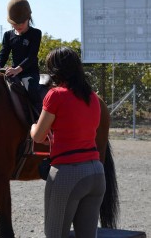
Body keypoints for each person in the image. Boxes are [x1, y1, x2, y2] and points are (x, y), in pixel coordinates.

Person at [30, 47, 106, 238]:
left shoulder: (55, 95)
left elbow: (39, 136)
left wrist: (32, 127)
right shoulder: (93, 97)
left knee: (55, 234)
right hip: (96, 173)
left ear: (56, 70)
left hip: (68, 173)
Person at [0, 0, 42, 113]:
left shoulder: (35, 34)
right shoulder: (8, 35)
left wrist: (18, 69)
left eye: (21, 22)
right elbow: (3, 53)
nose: (18, 26)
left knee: (32, 89)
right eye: (15, 23)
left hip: (29, 73)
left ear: (29, 18)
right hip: (12, 72)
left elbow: (32, 56)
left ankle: (39, 118)